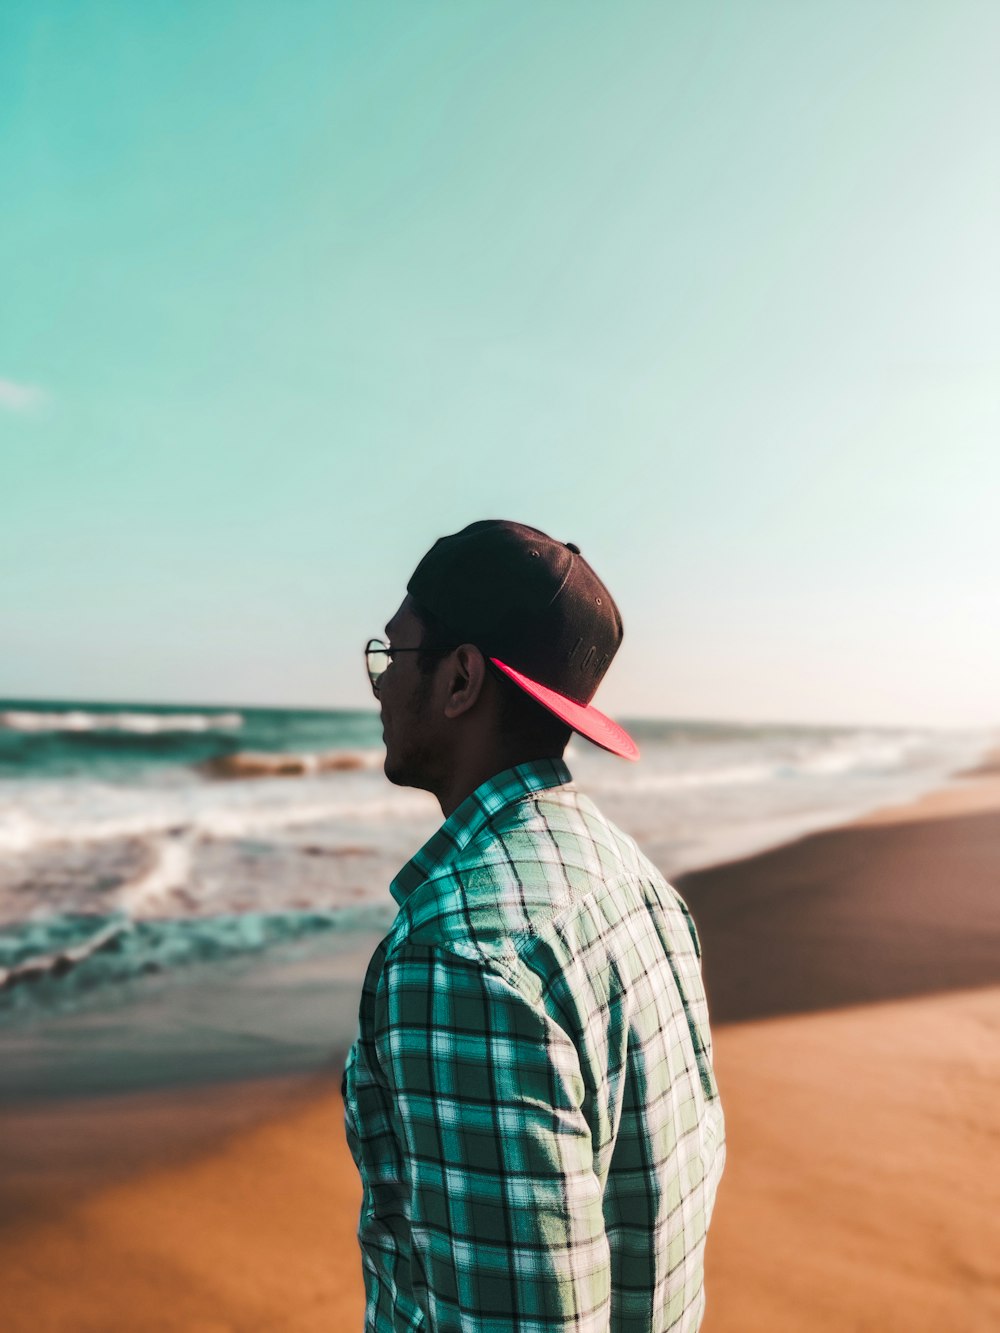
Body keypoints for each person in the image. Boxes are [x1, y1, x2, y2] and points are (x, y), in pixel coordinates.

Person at [343, 520, 725, 1333]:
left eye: (392, 654)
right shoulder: (638, 888)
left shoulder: (458, 958)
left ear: (460, 679)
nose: (378, 683)